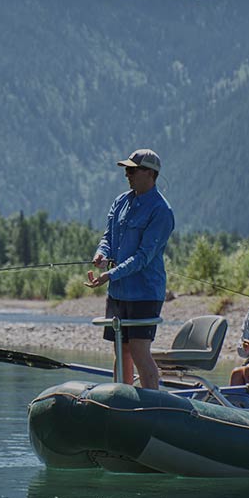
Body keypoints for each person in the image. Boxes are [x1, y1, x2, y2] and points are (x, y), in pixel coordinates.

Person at [86, 148, 175, 389]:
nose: (127, 174)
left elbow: (143, 257)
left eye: (132, 170)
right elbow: (108, 237)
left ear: (150, 173)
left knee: (138, 351)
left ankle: (152, 408)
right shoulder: (120, 202)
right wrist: (102, 253)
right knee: (120, 350)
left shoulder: (161, 211)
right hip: (118, 292)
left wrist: (110, 274)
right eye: (127, 169)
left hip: (145, 293)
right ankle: (121, 402)